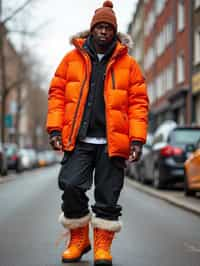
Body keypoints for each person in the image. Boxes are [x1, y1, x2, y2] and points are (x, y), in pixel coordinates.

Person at [46, 1, 149, 265]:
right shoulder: (71, 59)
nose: (103, 32)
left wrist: (137, 139)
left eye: (108, 28)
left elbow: (138, 103)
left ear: (114, 32)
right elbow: (57, 95)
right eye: (99, 27)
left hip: (112, 143)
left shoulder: (129, 64)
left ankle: (103, 246)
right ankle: (79, 239)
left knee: (107, 195)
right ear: (92, 30)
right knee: (70, 186)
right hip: (78, 139)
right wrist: (55, 128)